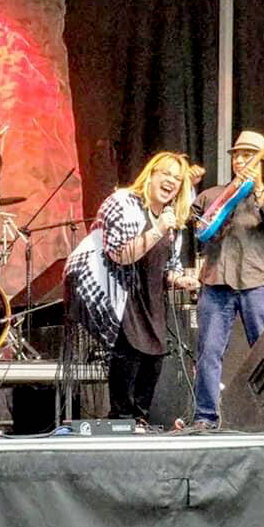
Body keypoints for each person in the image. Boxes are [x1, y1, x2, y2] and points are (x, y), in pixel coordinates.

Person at [64, 152, 204, 422]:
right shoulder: (122, 202)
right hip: (120, 292)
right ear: (150, 175)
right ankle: (121, 419)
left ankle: (139, 419)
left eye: (177, 178)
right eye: (165, 174)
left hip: (152, 300)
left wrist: (179, 279)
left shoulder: (169, 218)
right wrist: (157, 230)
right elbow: (119, 254)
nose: (171, 181)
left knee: (154, 361)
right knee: (128, 356)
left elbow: (166, 266)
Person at [191, 130, 264, 431]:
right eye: (237, 155)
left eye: (248, 155)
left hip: (257, 282)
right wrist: (189, 187)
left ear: (262, 161)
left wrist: (259, 190)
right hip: (216, 281)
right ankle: (205, 417)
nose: (241, 160)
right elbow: (193, 222)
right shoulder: (213, 195)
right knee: (208, 350)